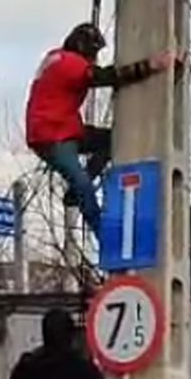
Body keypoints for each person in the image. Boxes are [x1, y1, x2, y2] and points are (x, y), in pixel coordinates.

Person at [25, 23, 175, 235]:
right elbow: (107, 77)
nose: (94, 59)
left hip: (62, 127)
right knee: (82, 183)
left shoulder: (55, 58)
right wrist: (152, 65)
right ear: (83, 48)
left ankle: (76, 193)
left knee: (113, 140)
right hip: (52, 136)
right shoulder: (70, 63)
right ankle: (102, 233)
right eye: (93, 53)